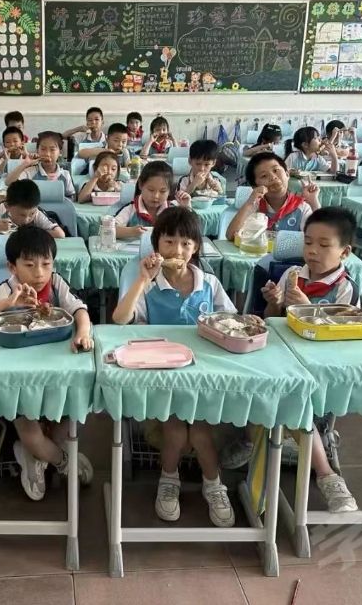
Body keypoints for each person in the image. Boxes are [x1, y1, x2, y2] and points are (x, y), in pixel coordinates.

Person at [113, 207, 236, 527]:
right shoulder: (148, 286)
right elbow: (120, 319)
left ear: (196, 248)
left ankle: (213, 485)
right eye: (169, 242)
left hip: (203, 378)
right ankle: (169, 480)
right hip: (162, 377)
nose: (177, 251)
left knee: (200, 430)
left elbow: (231, 323)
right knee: (176, 427)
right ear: (156, 245)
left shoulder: (209, 284)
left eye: (185, 244)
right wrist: (142, 279)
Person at [0, 226, 94, 500]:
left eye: (46, 264)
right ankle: (61, 461)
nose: (39, 273)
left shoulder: (56, 284)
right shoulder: (6, 290)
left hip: (53, 374)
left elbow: (80, 309)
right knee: (31, 433)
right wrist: (7, 303)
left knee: (69, 420)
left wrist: (83, 332)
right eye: (29, 265)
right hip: (15, 381)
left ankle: (34, 456)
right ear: (12, 267)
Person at [260, 207, 359, 513]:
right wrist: (274, 303)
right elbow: (270, 321)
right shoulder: (292, 275)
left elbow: (341, 337)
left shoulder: (345, 288)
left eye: (324, 245)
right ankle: (253, 439)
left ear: (345, 252)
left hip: (320, 367)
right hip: (282, 358)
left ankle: (327, 476)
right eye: (308, 242)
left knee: (294, 401)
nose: (313, 251)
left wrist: (308, 310)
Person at [226, 153, 319, 240]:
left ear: (287, 174)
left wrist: (314, 202)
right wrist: (249, 204)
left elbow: (317, 237)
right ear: (255, 186)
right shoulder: (254, 206)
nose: (273, 177)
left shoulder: (302, 208)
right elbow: (231, 235)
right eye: (264, 176)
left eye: (275, 170)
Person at [114, 160, 191, 239]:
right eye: (151, 190)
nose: (156, 196)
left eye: (162, 191)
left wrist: (186, 208)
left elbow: (190, 231)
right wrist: (131, 232)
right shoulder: (131, 209)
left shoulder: (173, 209)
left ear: (169, 190)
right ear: (140, 185)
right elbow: (110, 229)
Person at [6, 131, 76, 199]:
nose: (47, 154)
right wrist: (25, 164)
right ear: (37, 151)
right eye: (43, 149)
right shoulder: (30, 172)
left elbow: (71, 197)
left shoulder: (65, 175)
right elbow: (8, 182)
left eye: (52, 150)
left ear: (60, 152)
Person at [0, 179, 65, 238]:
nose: (27, 220)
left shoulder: (37, 212)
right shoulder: (2, 208)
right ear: (7, 206)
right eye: (22, 215)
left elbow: (60, 234)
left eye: (32, 214)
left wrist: (33, 233)